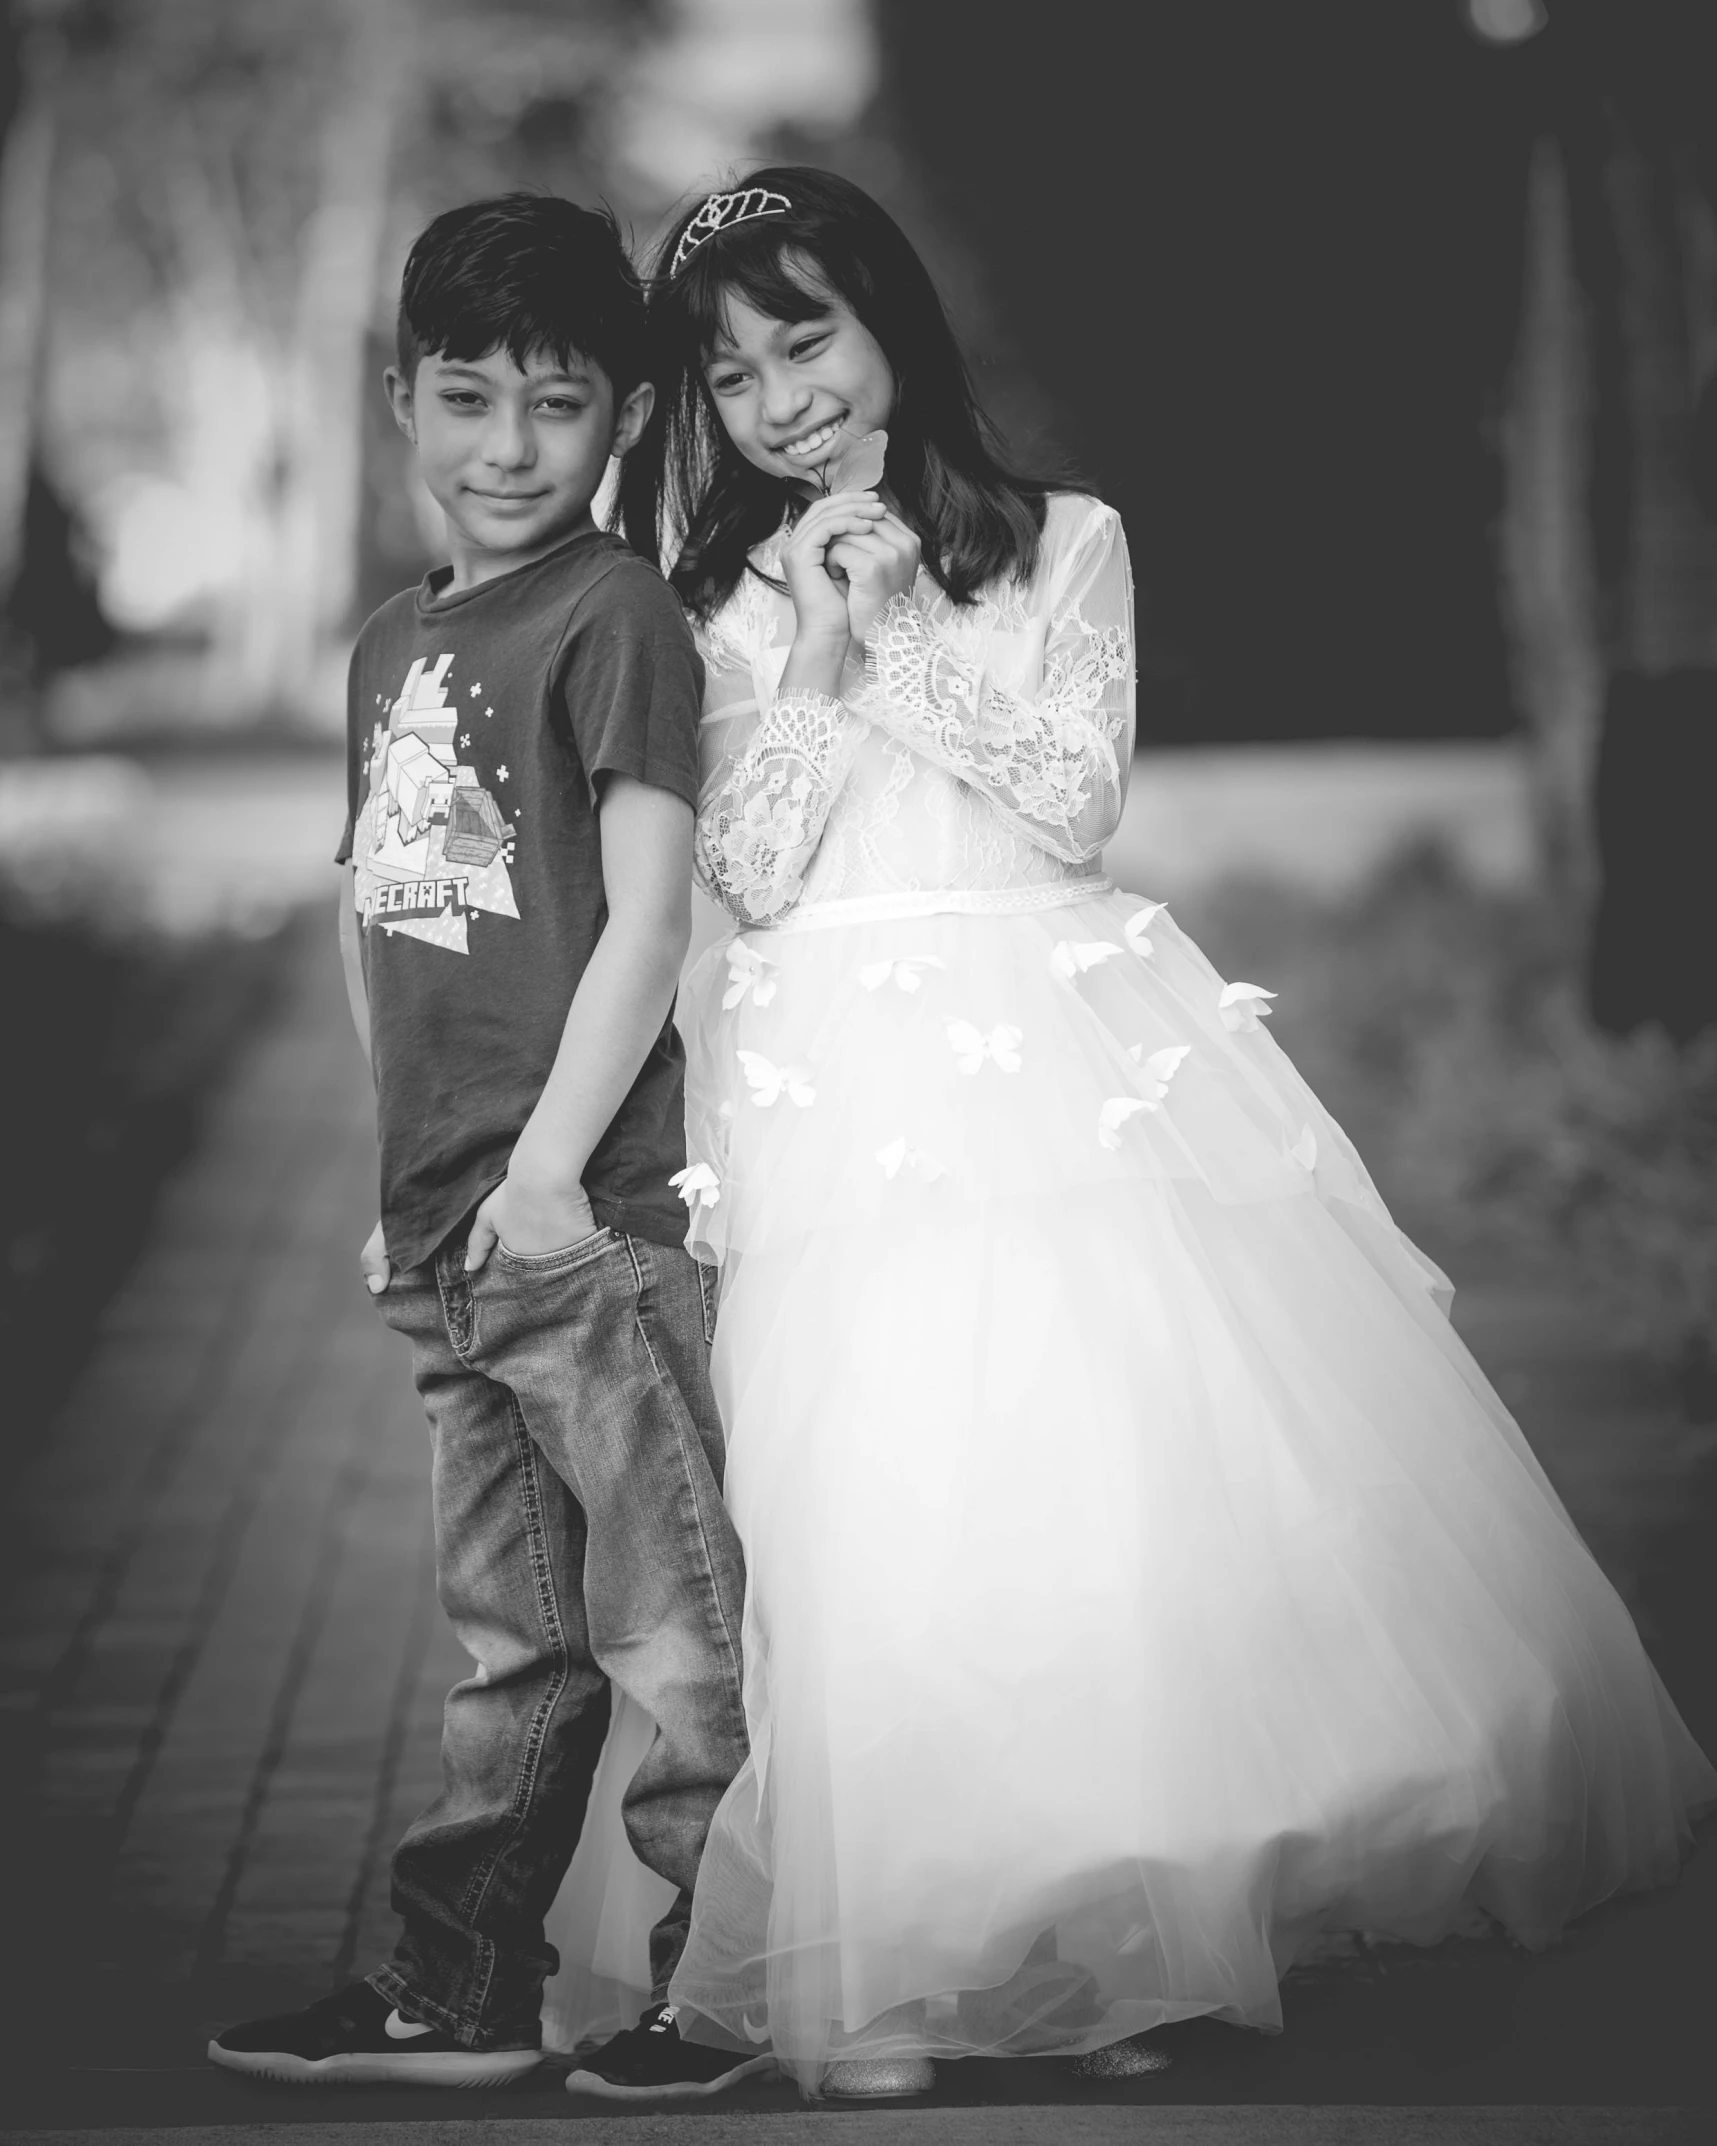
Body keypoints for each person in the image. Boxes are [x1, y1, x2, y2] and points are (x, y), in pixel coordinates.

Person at [547, 167, 1717, 2102]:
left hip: (1059, 1033)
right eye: (733, 371)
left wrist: (906, 613)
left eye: (810, 337)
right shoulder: (705, 604)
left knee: (1101, 1453)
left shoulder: (1064, 540)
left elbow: (1073, 798)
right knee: (887, 1484)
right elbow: (744, 865)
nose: (782, 396)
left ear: (890, 326)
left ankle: (1130, 1921)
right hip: (839, 1070)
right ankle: (910, 1936)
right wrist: (818, 647)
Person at [207, 194, 767, 2100]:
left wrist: (544, 1172)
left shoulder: (612, 617)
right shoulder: (388, 644)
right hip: (451, 1226)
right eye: (468, 398)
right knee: (508, 1647)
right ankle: (455, 1994)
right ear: (402, 402)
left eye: (555, 404)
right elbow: (381, 916)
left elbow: (648, 917)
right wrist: (407, 1198)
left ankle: (738, 1985)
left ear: (617, 419)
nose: (508, 446)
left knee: (671, 1627)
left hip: (584, 1220)